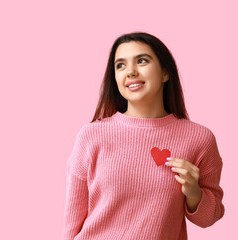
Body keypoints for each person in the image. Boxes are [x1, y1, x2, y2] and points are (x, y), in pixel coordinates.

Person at [61, 32, 225, 240]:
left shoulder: (199, 138)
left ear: (165, 72)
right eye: (120, 65)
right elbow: (72, 220)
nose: (130, 72)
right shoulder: (91, 136)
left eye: (142, 60)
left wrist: (194, 192)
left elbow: (209, 217)